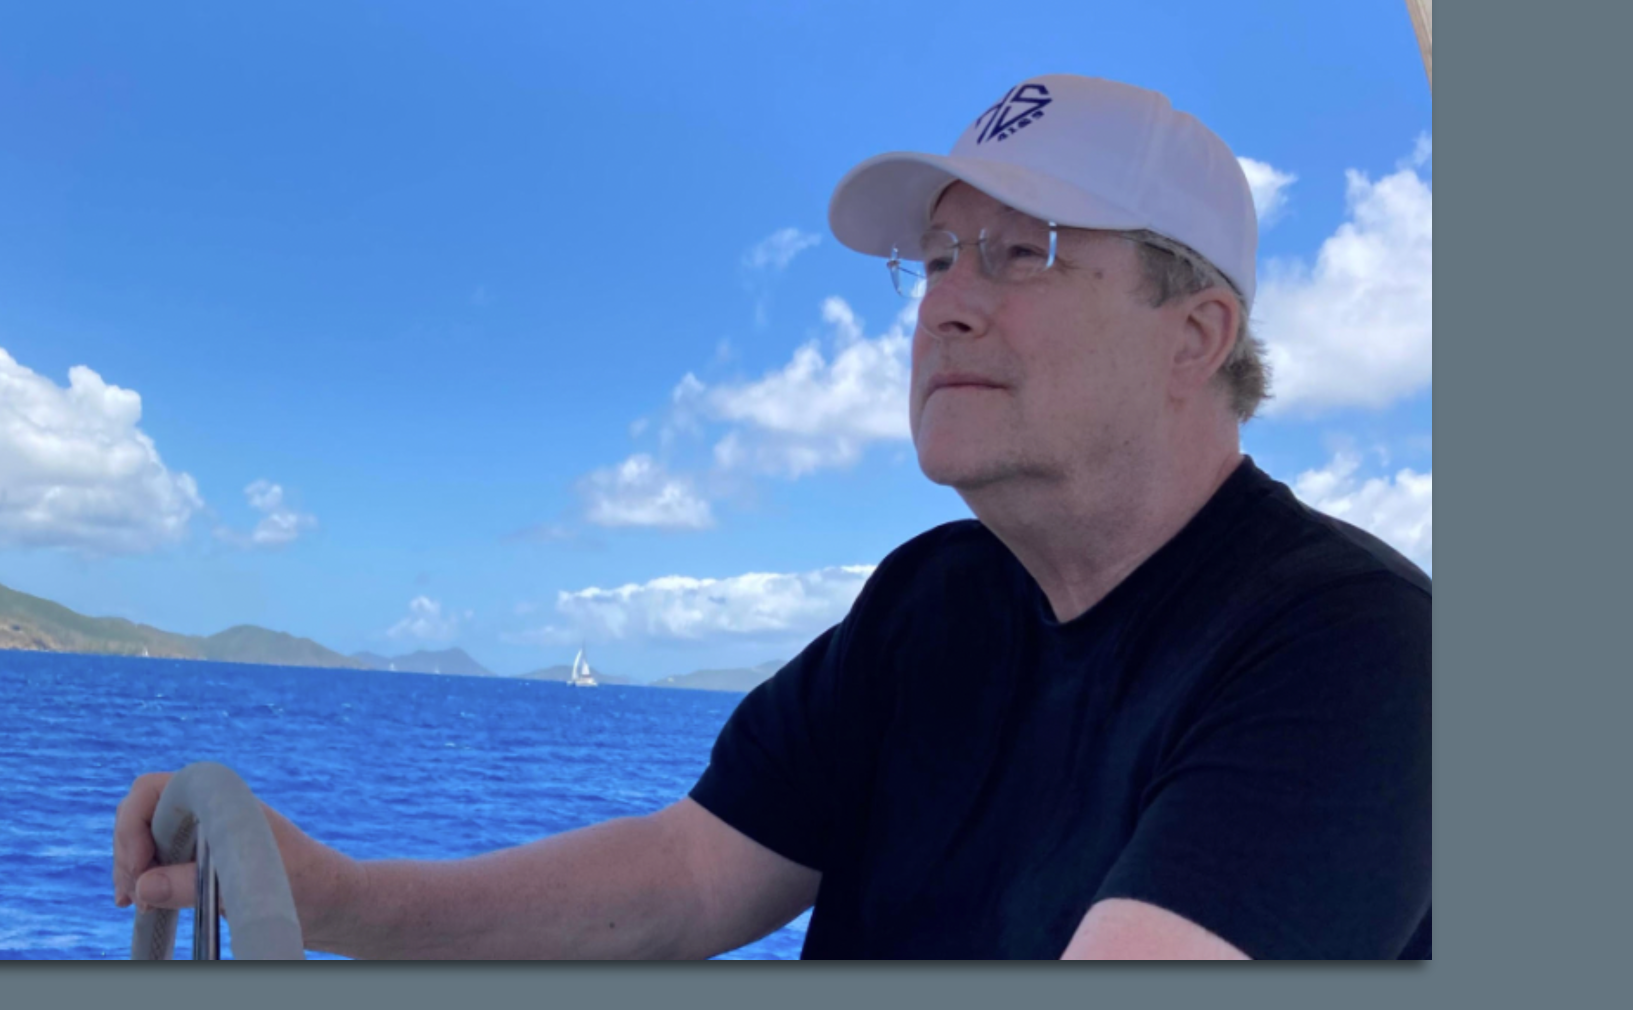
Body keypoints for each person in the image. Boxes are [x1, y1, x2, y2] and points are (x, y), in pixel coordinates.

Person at [112, 74, 1430, 960]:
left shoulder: (1361, 656)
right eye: (937, 258)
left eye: (1021, 252)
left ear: (1195, 336)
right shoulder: (934, 606)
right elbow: (688, 879)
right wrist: (327, 891)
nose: (946, 306)